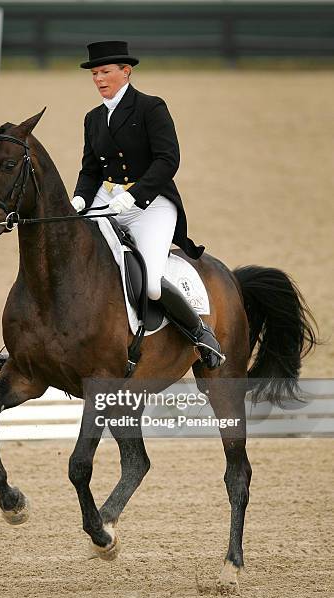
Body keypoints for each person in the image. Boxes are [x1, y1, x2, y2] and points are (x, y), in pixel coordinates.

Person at [72, 41, 223, 369]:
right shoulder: (93, 118)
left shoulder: (151, 107)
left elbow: (169, 159)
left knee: (151, 282)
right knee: (71, 256)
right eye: (95, 73)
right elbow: (90, 169)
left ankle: (200, 332)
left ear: (126, 72)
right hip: (105, 199)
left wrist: (134, 195)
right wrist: (80, 199)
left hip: (151, 204)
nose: (99, 79)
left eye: (105, 72)